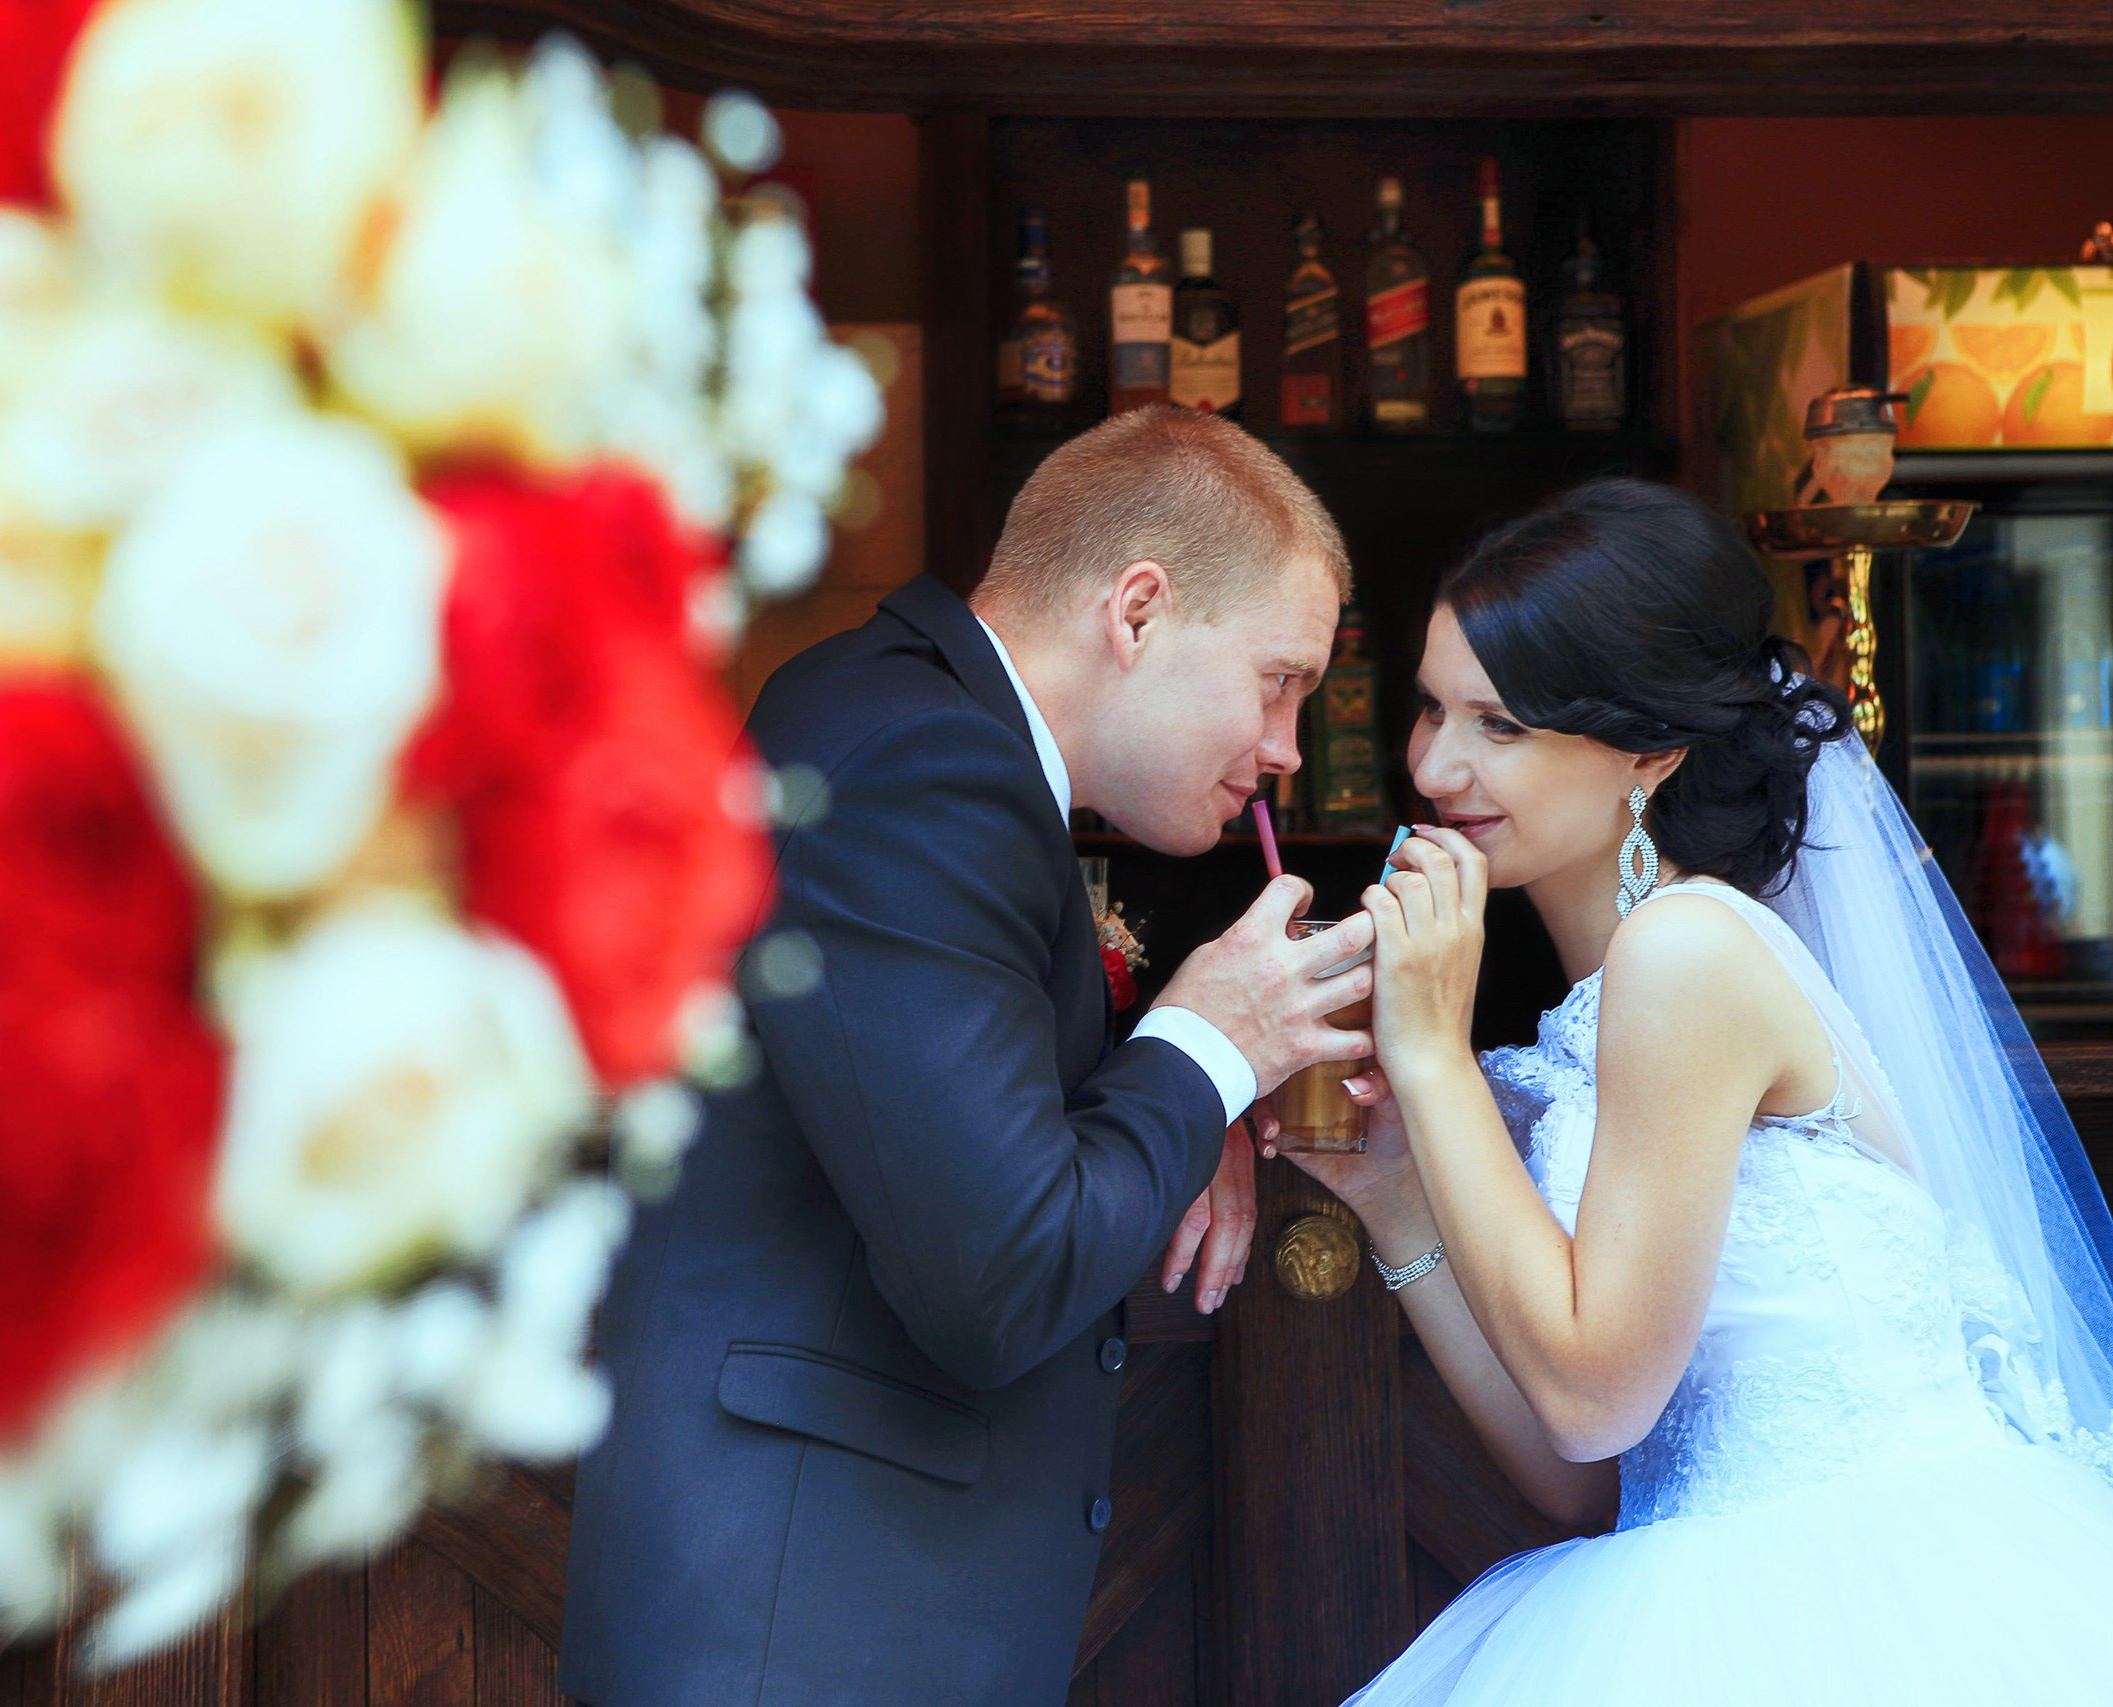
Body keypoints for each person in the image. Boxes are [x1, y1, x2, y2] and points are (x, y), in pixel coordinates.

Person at [560, 407, 1374, 1707]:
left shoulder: (889, 710)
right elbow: (999, 1273)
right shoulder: (925, 762)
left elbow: (934, 1103)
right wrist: (1209, 1049)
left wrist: (1178, 1094)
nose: (1285, 746)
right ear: (1139, 611)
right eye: (1278, 680)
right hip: (801, 1636)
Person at [1283, 477, 2113, 1702]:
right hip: (1705, 1572)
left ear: (1651, 752)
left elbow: (1588, 1403)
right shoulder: (1606, 1000)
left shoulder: (1685, 953)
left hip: (1875, 1595)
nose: (1434, 764)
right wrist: (1398, 1200)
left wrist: (1432, 1055)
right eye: (1430, 709)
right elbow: (1587, 1478)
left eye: (1499, 726)